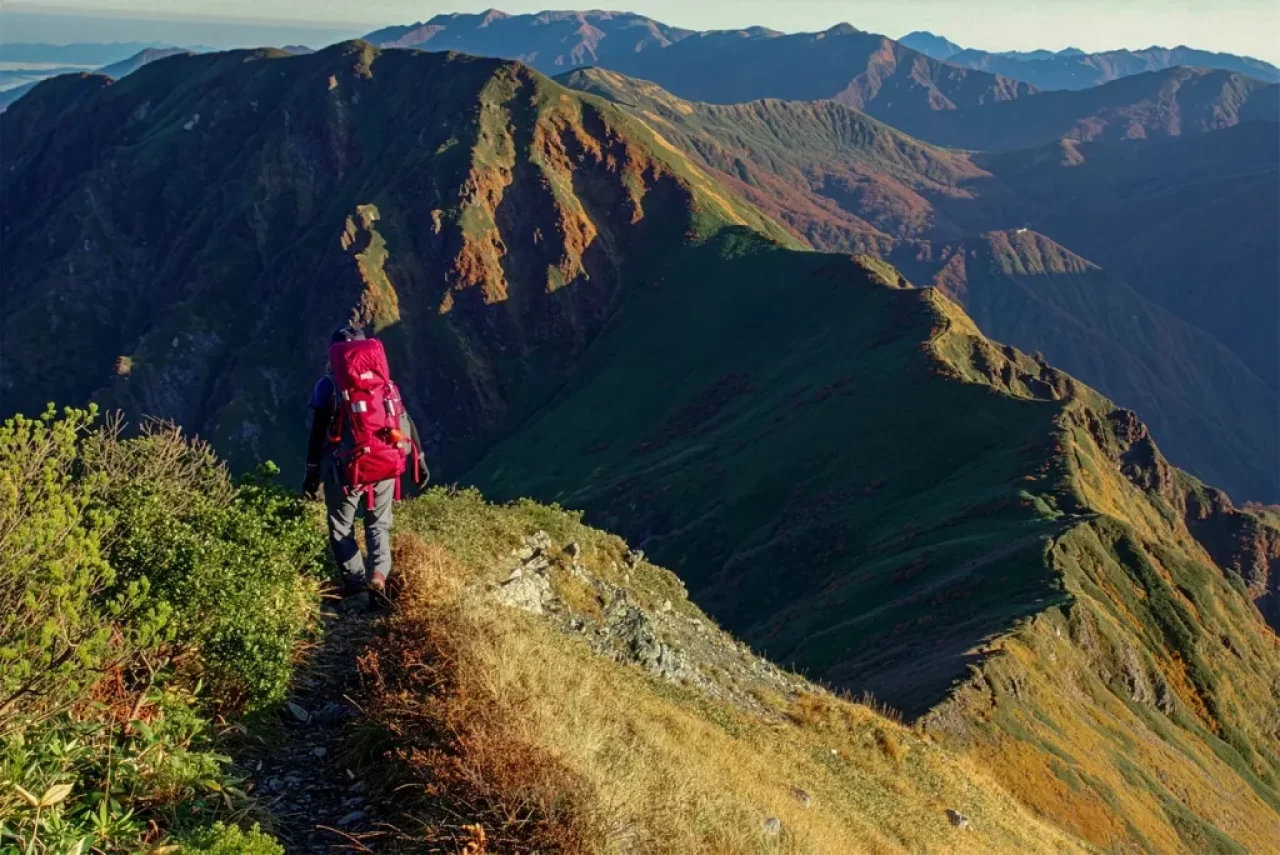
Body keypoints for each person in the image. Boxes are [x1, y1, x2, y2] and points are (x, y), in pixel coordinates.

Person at [302, 325, 428, 597]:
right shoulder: (384, 382)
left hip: (345, 469)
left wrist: (311, 471)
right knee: (378, 525)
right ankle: (379, 577)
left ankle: (357, 585)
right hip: (385, 463)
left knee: (341, 528)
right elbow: (404, 419)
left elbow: (317, 431)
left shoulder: (328, 385)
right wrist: (419, 457)